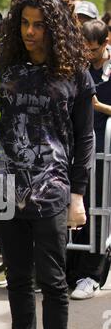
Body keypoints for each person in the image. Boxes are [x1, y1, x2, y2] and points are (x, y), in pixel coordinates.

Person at [0, 0, 95, 329]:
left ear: (55, 28)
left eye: (39, 25)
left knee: (53, 284)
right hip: (3, 187)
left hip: (52, 189)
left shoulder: (74, 72)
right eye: (25, 23)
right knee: (16, 279)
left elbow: (84, 137)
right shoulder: (2, 68)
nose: (30, 32)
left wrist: (78, 195)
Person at [68, 20, 111, 299]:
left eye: (93, 50)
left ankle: (93, 275)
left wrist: (97, 105)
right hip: (79, 150)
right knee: (76, 212)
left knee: (98, 213)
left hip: (105, 152)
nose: (88, 54)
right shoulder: (76, 68)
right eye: (84, 49)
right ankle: (72, 271)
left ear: (106, 42)